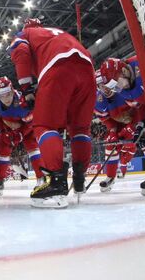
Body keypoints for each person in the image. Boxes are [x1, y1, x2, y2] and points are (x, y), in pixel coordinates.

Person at [8, 18, 95, 208]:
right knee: (80, 128)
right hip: (87, 68)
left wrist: (26, 89)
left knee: (45, 124)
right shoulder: (55, 30)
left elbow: (20, 51)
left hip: (58, 66)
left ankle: (56, 183)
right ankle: (79, 179)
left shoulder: (25, 35)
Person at [98, 57, 145, 194]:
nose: (106, 89)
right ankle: (110, 176)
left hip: (136, 121)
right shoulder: (98, 102)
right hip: (122, 127)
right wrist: (112, 131)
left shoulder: (122, 88)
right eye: (101, 86)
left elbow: (139, 107)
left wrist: (132, 126)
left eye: (108, 84)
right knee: (110, 141)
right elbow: (108, 121)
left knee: (144, 137)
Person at [0, 76, 46, 197]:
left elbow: (31, 123)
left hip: (26, 127)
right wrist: (5, 128)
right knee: (3, 151)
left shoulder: (23, 104)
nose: (6, 98)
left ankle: (42, 178)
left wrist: (20, 133)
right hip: (7, 127)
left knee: (33, 148)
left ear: (12, 90)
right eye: (2, 95)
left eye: (8, 94)